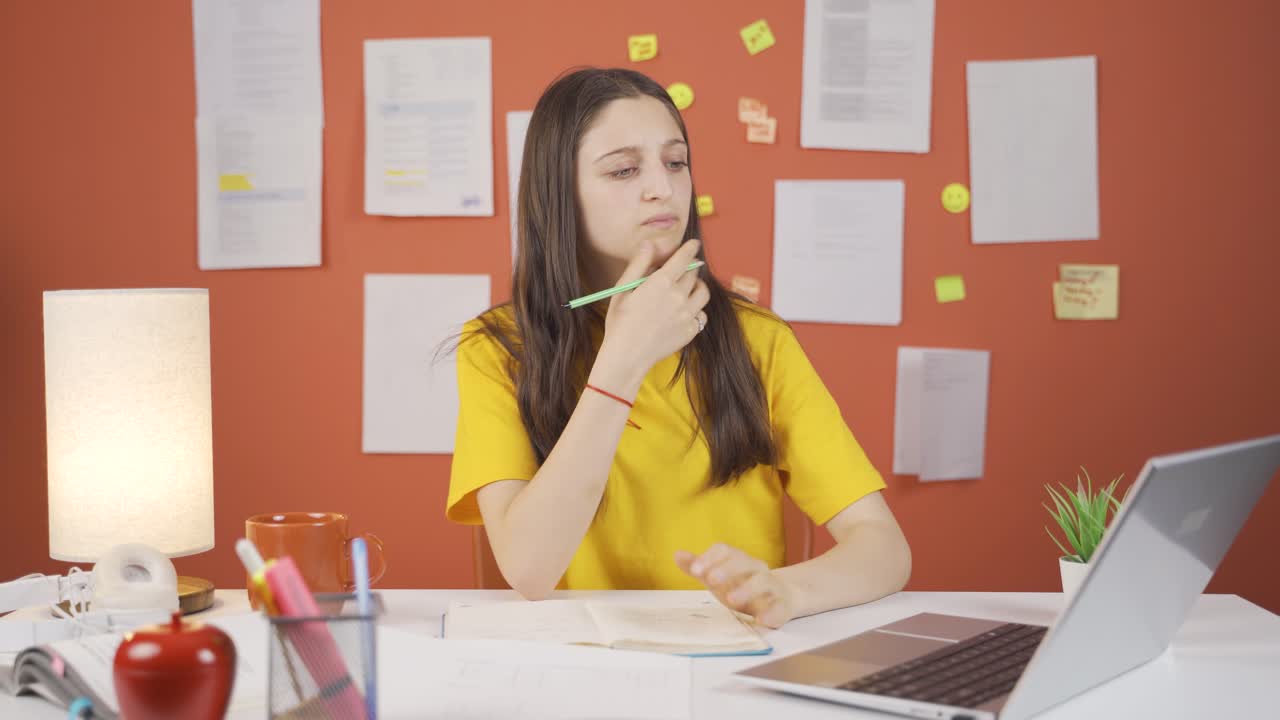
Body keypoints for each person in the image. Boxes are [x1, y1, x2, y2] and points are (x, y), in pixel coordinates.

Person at [446, 67, 910, 628]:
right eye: (623, 169)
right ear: (557, 192)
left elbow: (882, 546)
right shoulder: (496, 349)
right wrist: (624, 358)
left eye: (676, 162)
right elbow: (530, 568)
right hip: (582, 662)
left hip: (732, 651)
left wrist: (785, 592)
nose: (662, 188)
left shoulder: (758, 341)